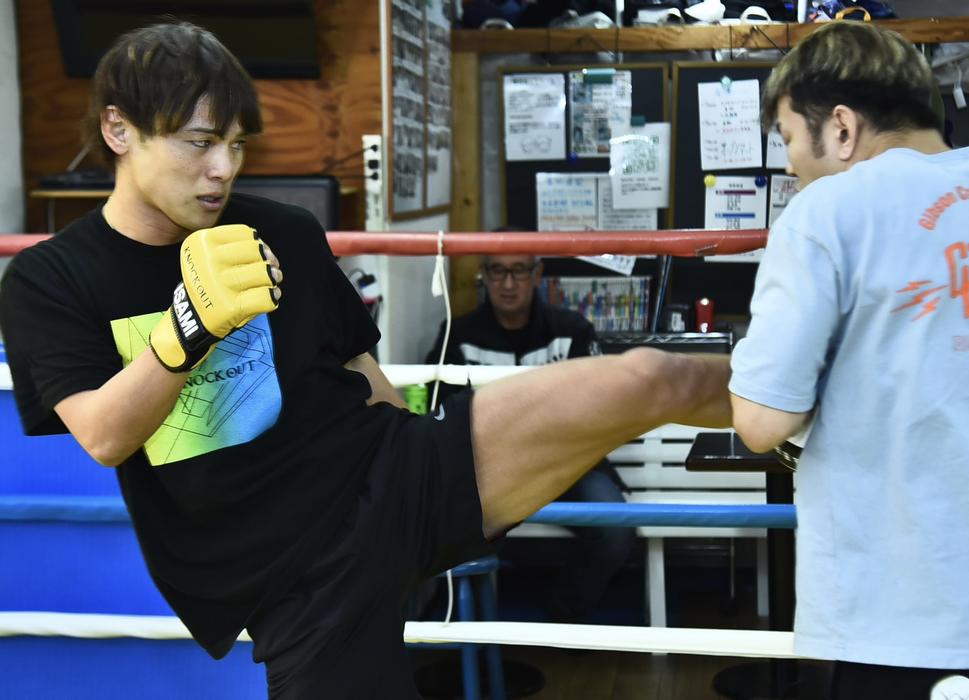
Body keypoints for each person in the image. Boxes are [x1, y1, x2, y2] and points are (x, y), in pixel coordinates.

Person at [0, 22, 732, 699]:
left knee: (652, 375)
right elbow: (104, 434)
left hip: (395, 476)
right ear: (119, 129)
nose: (222, 169)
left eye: (236, 144)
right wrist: (187, 328)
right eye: (199, 143)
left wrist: (424, 481)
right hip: (295, 579)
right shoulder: (50, 279)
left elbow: (363, 375)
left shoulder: (283, 230)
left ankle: (786, 408)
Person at [729, 21, 969, 700]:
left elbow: (761, 421)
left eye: (790, 137)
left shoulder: (828, 211)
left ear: (842, 128)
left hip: (905, 617)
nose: (791, 164)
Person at [425, 253, 636, 625]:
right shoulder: (458, 334)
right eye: (497, 270)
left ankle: (562, 619)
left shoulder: (572, 329)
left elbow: (599, 411)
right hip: (490, 473)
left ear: (537, 274)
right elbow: (440, 410)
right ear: (484, 275)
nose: (508, 283)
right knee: (442, 524)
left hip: (566, 467)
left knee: (615, 528)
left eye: (519, 270)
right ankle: (471, 630)